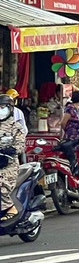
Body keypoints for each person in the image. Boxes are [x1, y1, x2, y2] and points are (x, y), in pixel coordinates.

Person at [0, 95, 27, 223]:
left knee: (2, 186)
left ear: (10, 108)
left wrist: (12, 150)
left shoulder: (15, 127)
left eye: (2, 107)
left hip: (9, 164)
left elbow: (21, 145)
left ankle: (11, 208)